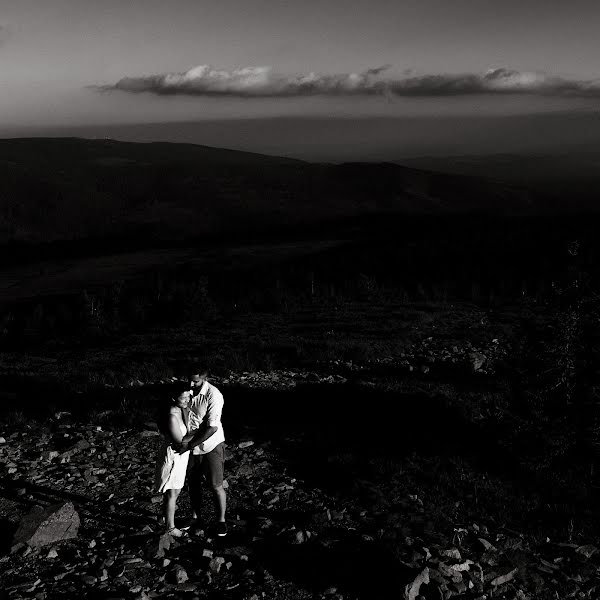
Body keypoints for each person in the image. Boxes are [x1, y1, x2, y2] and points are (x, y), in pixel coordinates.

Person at [178, 366, 227, 537]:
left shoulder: (214, 395)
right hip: (191, 444)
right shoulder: (188, 391)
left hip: (210, 445)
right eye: (189, 380)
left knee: (216, 484)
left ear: (205, 378)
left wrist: (189, 446)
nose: (191, 384)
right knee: (193, 483)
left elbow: (212, 428)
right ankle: (195, 516)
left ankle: (221, 520)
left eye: (196, 381)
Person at [153, 384, 192, 537]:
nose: (187, 400)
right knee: (172, 491)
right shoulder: (171, 415)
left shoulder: (181, 409)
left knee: (176, 490)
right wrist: (200, 433)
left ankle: (164, 518)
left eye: (188, 396)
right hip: (174, 455)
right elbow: (179, 441)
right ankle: (170, 527)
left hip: (181, 456)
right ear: (174, 398)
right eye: (183, 398)